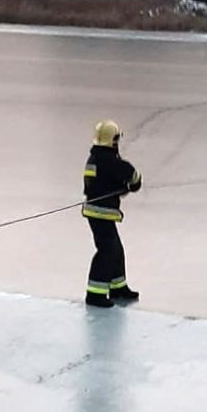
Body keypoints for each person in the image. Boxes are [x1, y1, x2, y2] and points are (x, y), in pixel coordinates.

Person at [82, 120, 143, 308]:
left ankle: (118, 287)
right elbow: (134, 179)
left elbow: (91, 184)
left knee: (115, 249)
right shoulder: (113, 162)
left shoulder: (92, 160)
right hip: (103, 213)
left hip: (95, 211)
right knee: (108, 251)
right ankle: (95, 294)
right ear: (113, 140)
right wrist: (126, 186)